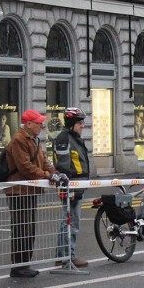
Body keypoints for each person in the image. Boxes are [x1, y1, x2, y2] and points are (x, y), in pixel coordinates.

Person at [5, 109, 64, 278]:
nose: (41, 126)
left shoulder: (33, 139)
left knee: (29, 228)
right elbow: (25, 167)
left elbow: (43, 160)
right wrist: (47, 175)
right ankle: (19, 266)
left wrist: (53, 172)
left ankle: (24, 264)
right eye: (38, 123)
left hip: (29, 190)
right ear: (29, 124)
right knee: (21, 228)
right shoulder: (19, 139)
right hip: (19, 191)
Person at [52, 107, 90, 268]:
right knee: (71, 222)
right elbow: (63, 166)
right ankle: (69, 256)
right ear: (71, 124)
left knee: (68, 221)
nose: (83, 126)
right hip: (71, 186)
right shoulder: (64, 139)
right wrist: (70, 189)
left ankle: (62, 255)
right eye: (80, 122)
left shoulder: (74, 137)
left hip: (77, 185)